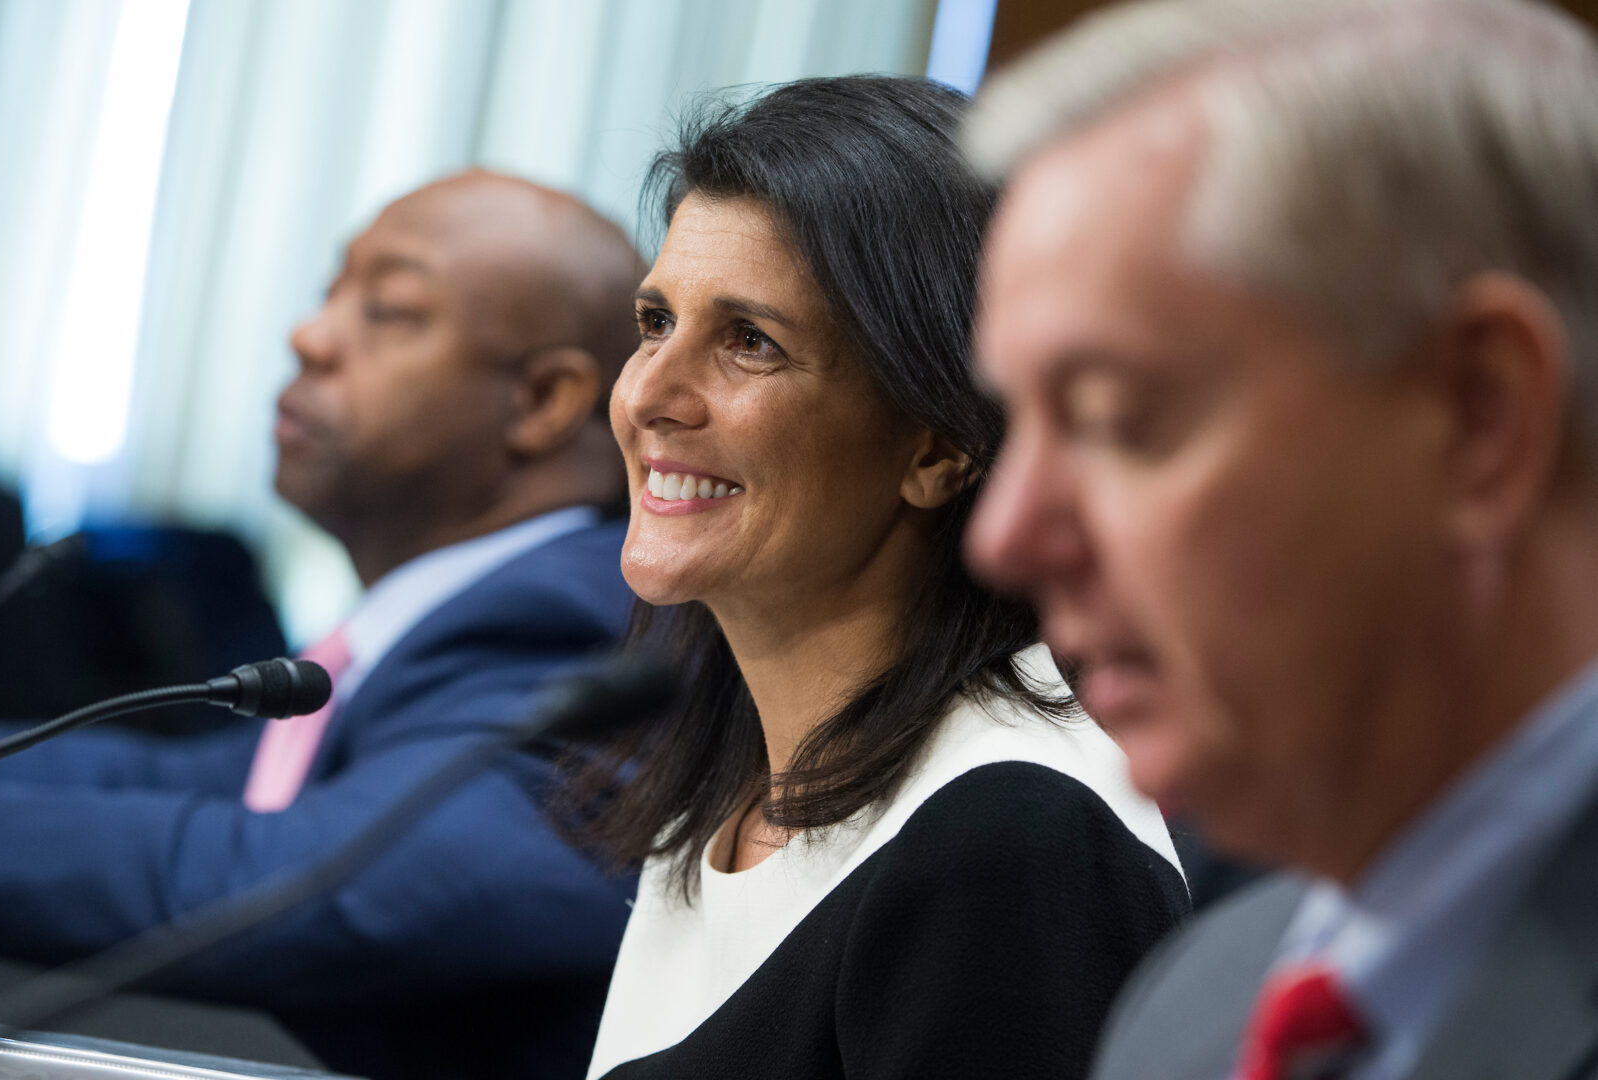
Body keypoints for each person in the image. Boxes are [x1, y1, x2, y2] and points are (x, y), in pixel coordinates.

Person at [961, 1, 1598, 1078]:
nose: (1004, 537)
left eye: (1117, 419)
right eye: (1015, 424)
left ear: (1477, 415)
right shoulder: (1194, 1002)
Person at [569, 76, 1188, 1080]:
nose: (648, 395)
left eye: (747, 343)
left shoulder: (1012, 844)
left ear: (941, 443)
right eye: (652, 322)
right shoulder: (725, 788)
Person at [0, 170, 645, 1080]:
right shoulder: (453, 618)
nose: (309, 335)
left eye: (390, 309)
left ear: (543, 402)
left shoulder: (588, 626)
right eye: (332, 292)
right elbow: (189, 782)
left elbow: (317, 881)